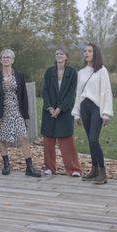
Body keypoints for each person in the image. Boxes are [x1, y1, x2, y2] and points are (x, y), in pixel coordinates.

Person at [0, 49, 40, 177]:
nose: (6, 59)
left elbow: (23, 95)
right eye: (3, 57)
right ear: (1, 60)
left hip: (16, 110)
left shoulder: (19, 76)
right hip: (2, 111)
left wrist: (25, 114)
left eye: (8, 57)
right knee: (2, 138)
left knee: (24, 137)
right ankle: (6, 164)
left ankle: (29, 167)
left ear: (12, 60)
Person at [72, 43, 113, 185]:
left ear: (95, 53)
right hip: (84, 106)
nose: (86, 53)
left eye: (89, 51)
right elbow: (78, 93)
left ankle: (102, 171)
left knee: (94, 139)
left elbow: (107, 92)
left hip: (96, 107)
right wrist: (76, 113)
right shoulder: (81, 72)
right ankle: (94, 169)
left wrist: (106, 113)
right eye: (85, 51)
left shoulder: (102, 71)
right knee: (90, 140)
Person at [41, 47, 82, 177]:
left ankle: (74, 169)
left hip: (64, 111)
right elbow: (45, 90)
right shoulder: (49, 72)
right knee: (48, 140)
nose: (59, 56)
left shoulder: (72, 73)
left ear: (66, 57)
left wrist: (60, 109)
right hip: (49, 111)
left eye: (61, 54)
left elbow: (71, 94)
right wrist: (50, 107)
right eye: (57, 54)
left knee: (67, 141)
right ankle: (49, 168)